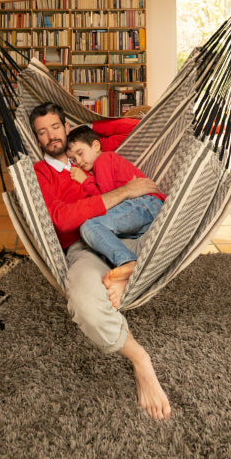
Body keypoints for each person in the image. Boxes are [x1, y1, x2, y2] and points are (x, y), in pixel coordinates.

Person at [29, 102, 172, 420]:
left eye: (55, 127)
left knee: (155, 237)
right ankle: (139, 358)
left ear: (66, 128)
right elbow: (63, 219)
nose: (51, 136)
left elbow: (131, 129)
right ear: (36, 140)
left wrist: (98, 122)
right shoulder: (41, 172)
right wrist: (123, 193)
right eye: (42, 132)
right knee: (85, 304)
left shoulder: (90, 154)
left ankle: (126, 269)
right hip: (85, 247)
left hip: (138, 232)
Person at [65, 124, 165, 310]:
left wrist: (84, 180)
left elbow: (109, 198)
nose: (77, 161)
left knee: (89, 227)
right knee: (96, 239)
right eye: (72, 159)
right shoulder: (101, 167)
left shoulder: (103, 159)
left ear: (96, 146)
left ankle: (129, 263)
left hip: (145, 203)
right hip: (145, 212)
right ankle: (123, 279)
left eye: (80, 153)